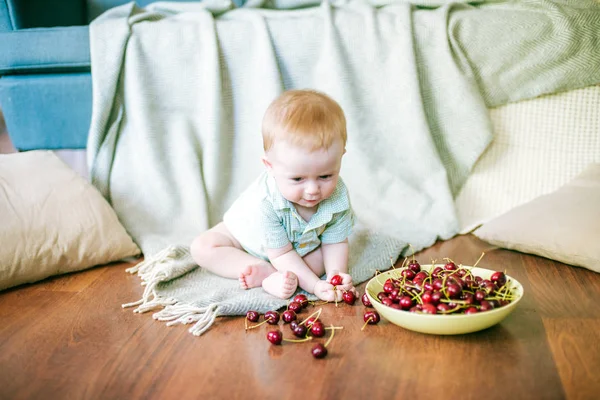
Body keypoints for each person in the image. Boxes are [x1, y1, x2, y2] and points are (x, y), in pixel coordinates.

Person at [190, 89, 356, 301]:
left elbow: (336, 242)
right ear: (270, 166)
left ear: (341, 156)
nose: (313, 189)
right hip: (250, 240)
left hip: (296, 250)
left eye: (325, 176)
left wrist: (335, 276)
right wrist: (314, 286)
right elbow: (281, 253)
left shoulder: (337, 197)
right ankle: (261, 269)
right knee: (203, 247)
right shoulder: (267, 202)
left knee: (324, 257)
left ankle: (283, 276)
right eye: (298, 179)